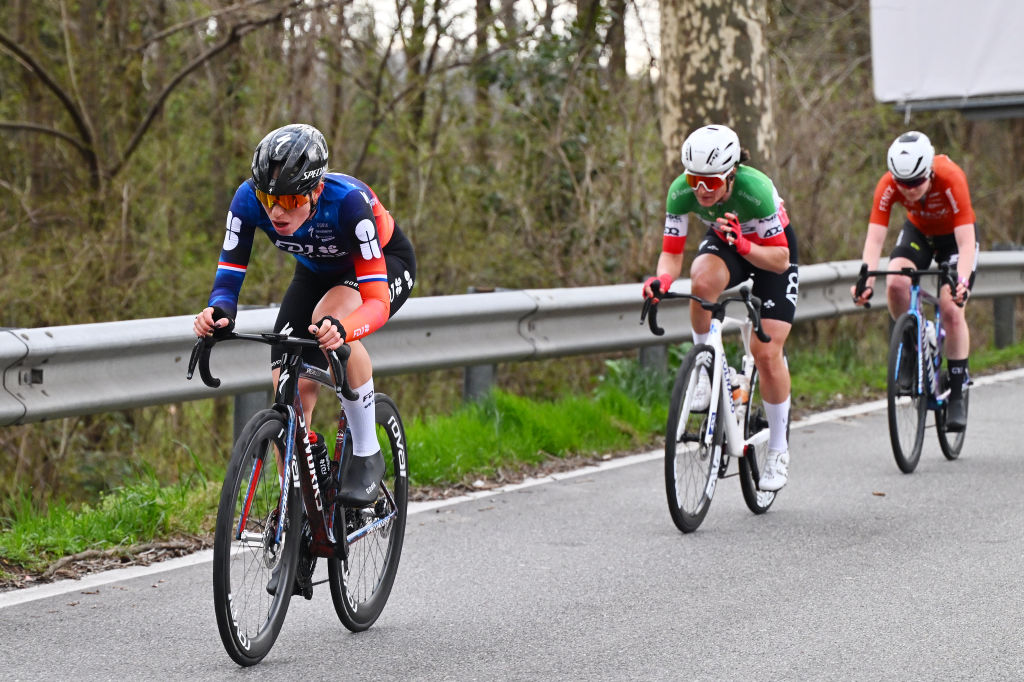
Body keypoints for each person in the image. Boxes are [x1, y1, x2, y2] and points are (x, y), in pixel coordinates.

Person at [193, 123, 416, 506]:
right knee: (290, 392)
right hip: (314, 272)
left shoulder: (348, 203)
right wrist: (219, 310)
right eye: (268, 198)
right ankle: (294, 515)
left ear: (316, 190)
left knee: (329, 320)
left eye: (291, 201)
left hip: (380, 266)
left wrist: (343, 329)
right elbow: (229, 273)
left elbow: (376, 301)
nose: (276, 211)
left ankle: (366, 452)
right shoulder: (247, 201)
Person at [642, 124, 798, 491]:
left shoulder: (755, 190)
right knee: (701, 282)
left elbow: (779, 259)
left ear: (731, 176)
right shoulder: (681, 192)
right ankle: (707, 366)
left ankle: (778, 449)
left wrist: (746, 248)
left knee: (765, 350)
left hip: (769, 251)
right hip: (729, 239)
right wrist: (662, 281)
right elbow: (671, 253)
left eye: (711, 183)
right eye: (694, 179)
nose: (701, 191)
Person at [851, 131, 975, 431]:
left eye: (915, 183)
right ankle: (910, 347)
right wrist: (865, 277)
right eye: (901, 184)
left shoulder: (951, 178)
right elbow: (875, 236)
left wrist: (963, 281)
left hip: (953, 242)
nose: (907, 191)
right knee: (895, 282)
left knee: (950, 309)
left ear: (929, 171)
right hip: (919, 234)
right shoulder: (888, 184)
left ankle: (957, 391)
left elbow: (967, 242)